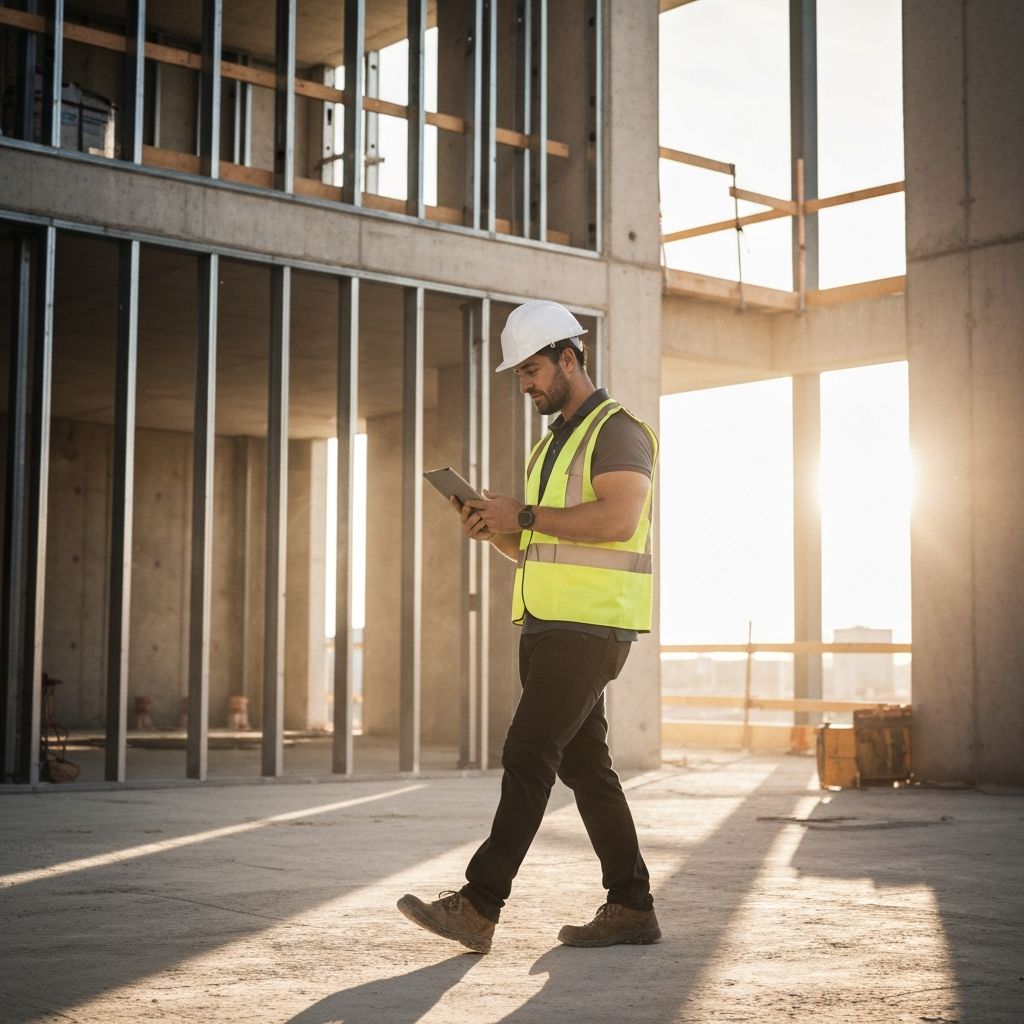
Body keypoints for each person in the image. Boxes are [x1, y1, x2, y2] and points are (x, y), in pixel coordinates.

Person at [397, 300, 660, 954]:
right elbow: (535, 546)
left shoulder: (617, 430)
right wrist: (496, 532)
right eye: (519, 375)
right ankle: (631, 905)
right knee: (585, 767)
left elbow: (618, 521)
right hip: (547, 625)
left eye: (533, 370)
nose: (526, 384)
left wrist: (527, 515)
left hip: (590, 628)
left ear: (570, 359)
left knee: (527, 751)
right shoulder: (554, 444)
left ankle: (480, 905)